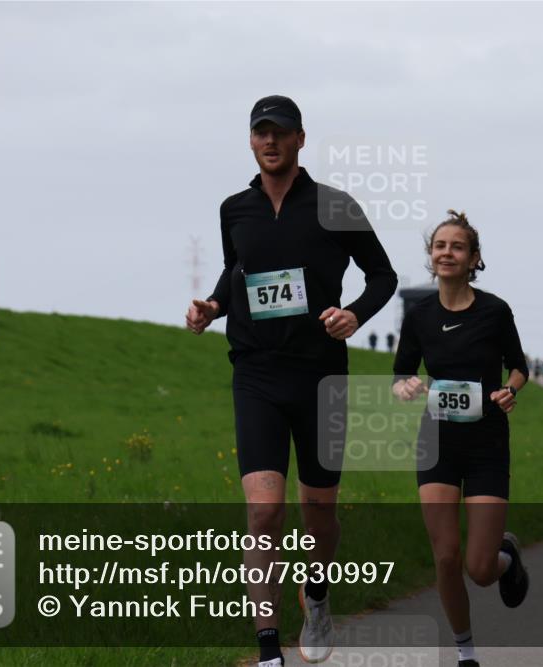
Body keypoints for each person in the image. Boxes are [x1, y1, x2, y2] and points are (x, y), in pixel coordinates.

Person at [185, 95, 398, 667]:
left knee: (320, 511)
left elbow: (383, 275)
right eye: (261, 133)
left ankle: (319, 597)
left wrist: (355, 313)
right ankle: (268, 649)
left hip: (320, 376)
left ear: (301, 139)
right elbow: (239, 273)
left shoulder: (335, 206)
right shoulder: (234, 209)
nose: (270, 141)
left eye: (281, 132)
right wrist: (212, 305)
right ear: (251, 141)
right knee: (263, 513)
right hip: (255, 372)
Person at [392, 210, 529, 667]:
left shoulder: (494, 311)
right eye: (440, 246)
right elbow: (401, 374)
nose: (446, 252)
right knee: (446, 558)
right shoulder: (419, 315)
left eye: (457, 246)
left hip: (487, 443)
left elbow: (519, 366)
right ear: (431, 257)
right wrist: (405, 387)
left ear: (473, 258)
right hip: (437, 442)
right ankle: (465, 651)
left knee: (480, 569)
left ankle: (507, 557)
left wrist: (510, 390)